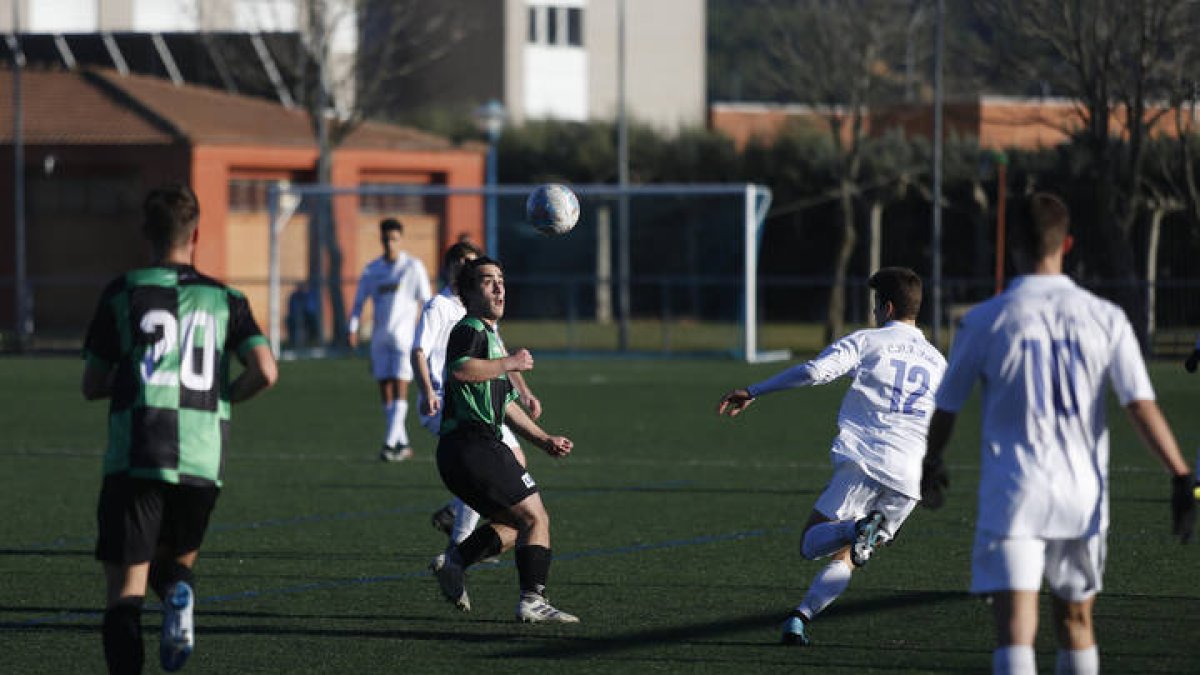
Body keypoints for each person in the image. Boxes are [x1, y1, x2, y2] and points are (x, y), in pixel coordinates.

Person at [923, 192, 1196, 675]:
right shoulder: (1105, 316)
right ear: (1066, 243)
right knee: (1076, 620)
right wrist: (1180, 473)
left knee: (1015, 632)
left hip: (1013, 493)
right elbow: (1139, 404)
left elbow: (946, 407)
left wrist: (932, 459)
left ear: (1013, 248)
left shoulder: (986, 319)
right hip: (1081, 493)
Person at [82, 184, 278, 674]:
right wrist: (221, 395)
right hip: (201, 453)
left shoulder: (124, 291)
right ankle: (177, 595)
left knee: (124, 592)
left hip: (138, 450)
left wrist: (135, 377)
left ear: (145, 232)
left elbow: (92, 383)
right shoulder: (226, 298)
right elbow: (266, 371)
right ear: (197, 235)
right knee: (174, 565)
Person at [716, 267, 946, 646]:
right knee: (850, 558)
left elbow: (815, 371)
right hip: (910, 477)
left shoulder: (870, 341)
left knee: (811, 543)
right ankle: (799, 617)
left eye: (875, 306)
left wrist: (755, 389)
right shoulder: (938, 361)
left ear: (886, 307)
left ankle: (855, 528)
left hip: (867, 461)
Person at [432, 256, 579, 623]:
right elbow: (461, 370)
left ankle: (455, 561)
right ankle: (532, 599)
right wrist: (509, 364)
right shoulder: (470, 329)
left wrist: (543, 439)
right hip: (472, 446)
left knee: (517, 526)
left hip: (467, 450)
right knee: (536, 517)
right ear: (467, 292)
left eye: (501, 280)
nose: (499, 288)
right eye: (487, 281)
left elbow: (507, 404)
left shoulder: (490, 338)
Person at [410, 242, 541, 551]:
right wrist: (427, 389)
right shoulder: (439, 307)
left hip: (478, 399)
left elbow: (500, 356)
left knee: (512, 460)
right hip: (445, 400)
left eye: (471, 262)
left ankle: (455, 514)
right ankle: (460, 542)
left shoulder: (477, 311)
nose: (465, 267)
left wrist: (525, 392)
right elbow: (418, 351)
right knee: (490, 463)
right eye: (461, 262)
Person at [348, 218, 433, 461]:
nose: (389, 244)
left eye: (394, 239)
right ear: (381, 240)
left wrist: (426, 334)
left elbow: (426, 302)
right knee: (385, 388)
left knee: (400, 386)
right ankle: (402, 443)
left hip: (404, 339)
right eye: (386, 239)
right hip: (380, 337)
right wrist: (352, 327)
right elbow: (358, 302)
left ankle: (388, 442)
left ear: (401, 240)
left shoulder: (412, 267)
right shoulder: (372, 269)